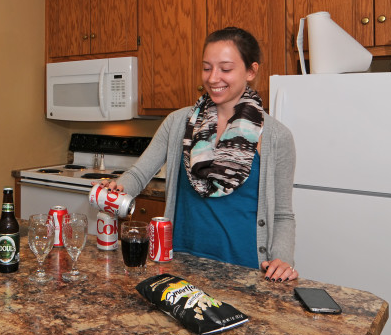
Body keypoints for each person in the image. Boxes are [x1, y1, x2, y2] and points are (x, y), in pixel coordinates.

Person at [107, 26, 298, 282]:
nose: (213, 78)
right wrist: (117, 189)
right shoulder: (178, 123)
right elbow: (139, 174)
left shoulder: (276, 137)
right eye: (207, 68)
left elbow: (283, 214)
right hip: (181, 263)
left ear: (251, 71)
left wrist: (282, 260)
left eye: (226, 69)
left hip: (246, 270)